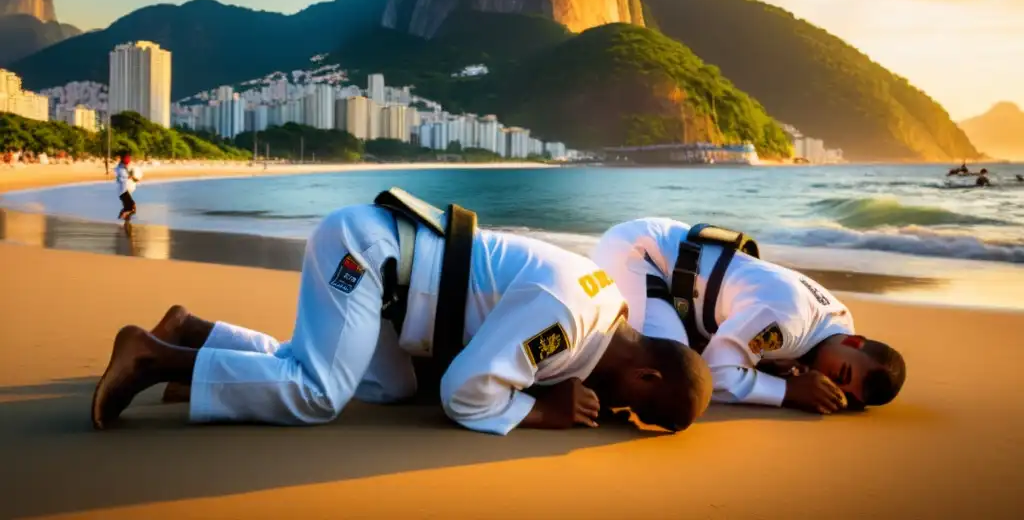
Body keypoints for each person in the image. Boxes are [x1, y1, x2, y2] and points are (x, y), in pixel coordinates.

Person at [92, 189, 713, 435]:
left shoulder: (605, 305)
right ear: (648, 374)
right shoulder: (567, 320)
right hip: (367, 258)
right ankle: (150, 358)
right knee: (318, 395)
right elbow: (464, 394)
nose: (615, 413)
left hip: (397, 282)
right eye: (634, 407)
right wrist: (540, 408)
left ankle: (194, 337)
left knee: (386, 386)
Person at [590, 217, 907, 415]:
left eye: (843, 397)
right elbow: (714, 373)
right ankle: (567, 387)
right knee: (678, 376)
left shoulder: (838, 319)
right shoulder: (786, 321)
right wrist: (788, 391)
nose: (830, 385)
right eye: (841, 376)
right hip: (639, 255)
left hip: (675, 262)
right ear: (853, 341)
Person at [114, 151, 142, 221]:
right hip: (124, 192)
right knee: (131, 208)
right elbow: (126, 178)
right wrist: (133, 177)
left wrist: (131, 176)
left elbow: (122, 178)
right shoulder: (121, 168)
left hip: (123, 191)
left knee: (128, 208)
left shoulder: (120, 167)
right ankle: (122, 220)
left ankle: (122, 221)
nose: (129, 160)